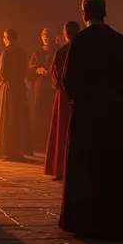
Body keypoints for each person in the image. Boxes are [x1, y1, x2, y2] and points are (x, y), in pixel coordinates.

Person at [59, 0, 123, 238]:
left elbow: (68, 78)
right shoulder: (118, 40)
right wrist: (119, 102)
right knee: (116, 166)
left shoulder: (79, 41)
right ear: (105, 12)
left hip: (87, 113)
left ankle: (87, 220)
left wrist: (77, 101)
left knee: (88, 167)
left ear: (84, 14)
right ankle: (120, 219)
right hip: (114, 113)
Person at [44, 20, 78, 180]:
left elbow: (56, 79)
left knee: (62, 131)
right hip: (82, 97)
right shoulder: (84, 51)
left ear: (65, 33)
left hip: (64, 98)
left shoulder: (62, 51)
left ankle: (60, 167)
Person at [0, 28, 32, 160]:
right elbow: (24, 70)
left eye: (4, 37)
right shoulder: (22, 52)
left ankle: (10, 149)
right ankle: (19, 149)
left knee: (8, 118)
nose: (3, 39)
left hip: (9, 88)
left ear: (8, 38)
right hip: (19, 88)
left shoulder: (6, 52)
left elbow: (3, 72)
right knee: (19, 117)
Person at [30, 28, 59, 143]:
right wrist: (38, 70)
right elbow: (31, 68)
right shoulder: (37, 52)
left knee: (51, 113)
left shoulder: (57, 51)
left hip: (52, 87)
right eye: (44, 35)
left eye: (48, 35)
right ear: (41, 37)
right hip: (41, 87)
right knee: (40, 113)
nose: (46, 37)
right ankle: (40, 140)